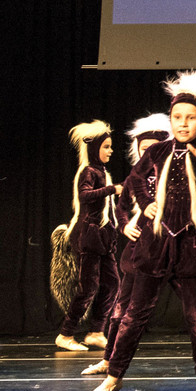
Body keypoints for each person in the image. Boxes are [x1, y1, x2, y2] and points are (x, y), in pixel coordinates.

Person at [89, 72, 196, 391]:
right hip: (154, 245)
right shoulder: (157, 151)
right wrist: (147, 202)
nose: (183, 123)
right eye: (177, 117)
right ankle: (113, 376)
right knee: (133, 316)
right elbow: (135, 180)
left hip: (192, 246)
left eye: (191, 118)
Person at [55, 121, 120, 353]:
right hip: (89, 236)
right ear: (94, 149)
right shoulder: (88, 171)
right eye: (106, 147)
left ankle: (96, 332)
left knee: (112, 283)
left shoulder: (102, 172)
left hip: (102, 236)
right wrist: (112, 189)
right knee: (88, 287)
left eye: (110, 146)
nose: (110, 151)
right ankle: (65, 334)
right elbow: (84, 196)